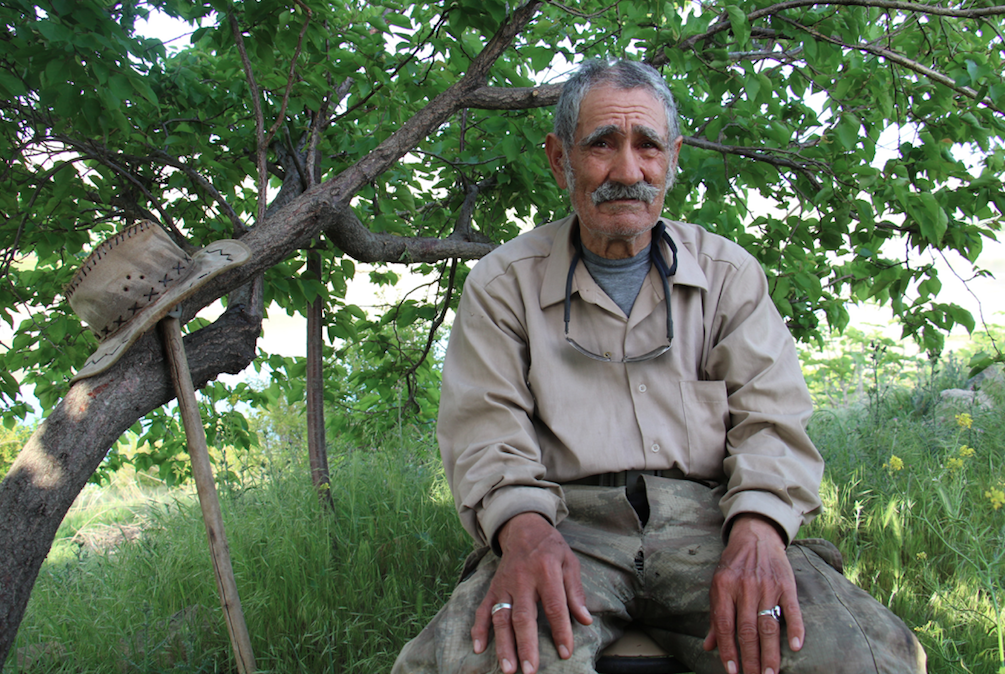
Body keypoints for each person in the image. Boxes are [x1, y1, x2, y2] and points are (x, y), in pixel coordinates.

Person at [392, 59, 926, 674]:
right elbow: (484, 432)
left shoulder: (727, 274)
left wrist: (759, 530)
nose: (628, 171)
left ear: (672, 158)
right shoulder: (503, 283)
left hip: (715, 523)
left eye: (647, 145)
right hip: (565, 526)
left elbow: (772, 421)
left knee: (855, 658)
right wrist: (522, 530)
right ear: (560, 159)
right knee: (481, 663)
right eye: (601, 145)